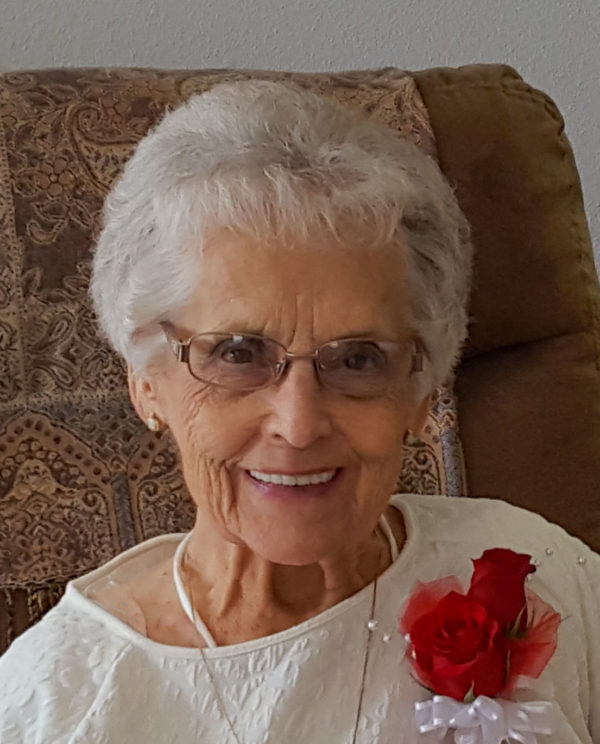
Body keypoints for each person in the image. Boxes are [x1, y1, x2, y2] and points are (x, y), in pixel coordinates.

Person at [0, 80, 598, 744]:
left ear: (421, 391)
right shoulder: (61, 704)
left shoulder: (531, 574)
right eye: (238, 353)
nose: (299, 422)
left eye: (359, 360)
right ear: (147, 383)